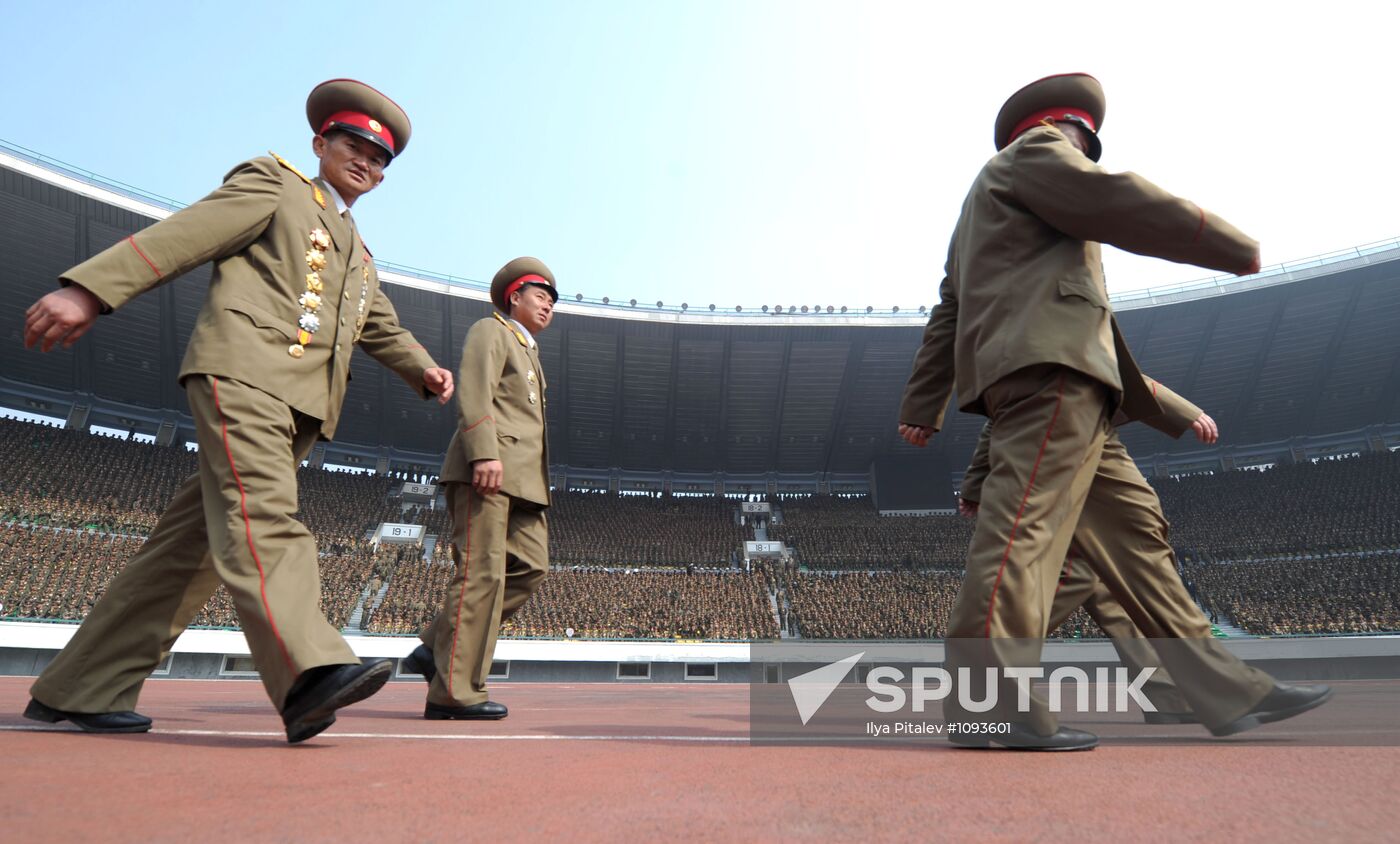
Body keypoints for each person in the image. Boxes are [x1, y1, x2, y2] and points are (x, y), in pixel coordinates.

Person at [897, 73, 1331, 750]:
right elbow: (1112, 200)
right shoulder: (1034, 154)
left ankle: (1226, 688)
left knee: (1139, 549)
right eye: (1083, 142)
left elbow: (970, 311)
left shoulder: (982, 215)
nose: (1082, 152)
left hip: (1079, 391)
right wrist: (1227, 246)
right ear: (1064, 130)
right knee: (1023, 537)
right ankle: (989, 710)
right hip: (1052, 381)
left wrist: (925, 404)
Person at [21, 79, 455, 743]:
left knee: (188, 552)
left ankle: (83, 684)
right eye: (353, 144)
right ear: (319, 143)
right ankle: (309, 670)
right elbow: (190, 232)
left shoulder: (361, 258)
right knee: (264, 515)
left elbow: (380, 326)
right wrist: (92, 290)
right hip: (244, 371)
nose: (366, 160)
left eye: (380, 158)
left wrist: (422, 368)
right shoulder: (276, 186)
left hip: (300, 408)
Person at [959, 374, 1218, 722]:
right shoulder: (1049, 355)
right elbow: (1111, 368)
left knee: (1114, 598)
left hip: (1076, 491)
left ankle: (1168, 698)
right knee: (1059, 591)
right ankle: (983, 684)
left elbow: (997, 426)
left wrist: (975, 485)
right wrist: (1183, 411)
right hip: (1066, 494)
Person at [402, 258, 555, 719]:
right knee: (480, 575)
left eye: (552, 301)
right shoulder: (492, 332)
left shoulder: (529, 352)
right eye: (540, 297)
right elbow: (474, 391)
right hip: (488, 469)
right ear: (515, 297)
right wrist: (483, 452)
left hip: (525, 482)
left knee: (531, 568)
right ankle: (453, 694)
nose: (548, 306)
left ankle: (434, 648)